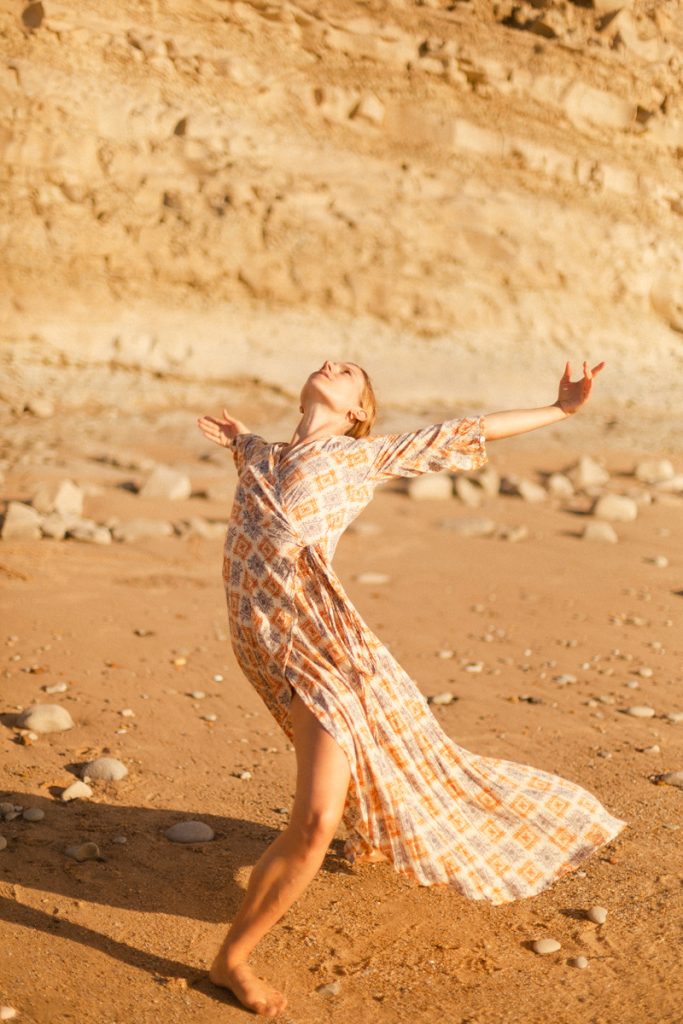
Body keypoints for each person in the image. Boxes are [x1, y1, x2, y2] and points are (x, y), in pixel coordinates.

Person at [196, 358, 627, 1017]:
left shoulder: (357, 456)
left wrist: (559, 410)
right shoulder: (259, 452)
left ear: (356, 413)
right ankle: (363, 835)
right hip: (265, 649)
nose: (336, 365)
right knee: (333, 793)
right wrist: (235, 438)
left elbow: (465, 428)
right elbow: (252, 472)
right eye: (331, 362)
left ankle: (231, 961)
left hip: (327, 652)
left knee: (314, 822)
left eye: (352, 375)